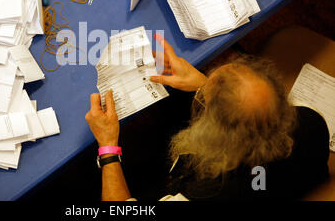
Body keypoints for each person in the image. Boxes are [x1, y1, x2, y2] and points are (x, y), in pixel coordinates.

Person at [85, 28, 332, 201]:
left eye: (204, 98)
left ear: (213, 137)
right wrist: (204, 85)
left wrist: (108, 147)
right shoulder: (312, 121)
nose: (202, 91)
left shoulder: (206, 192)